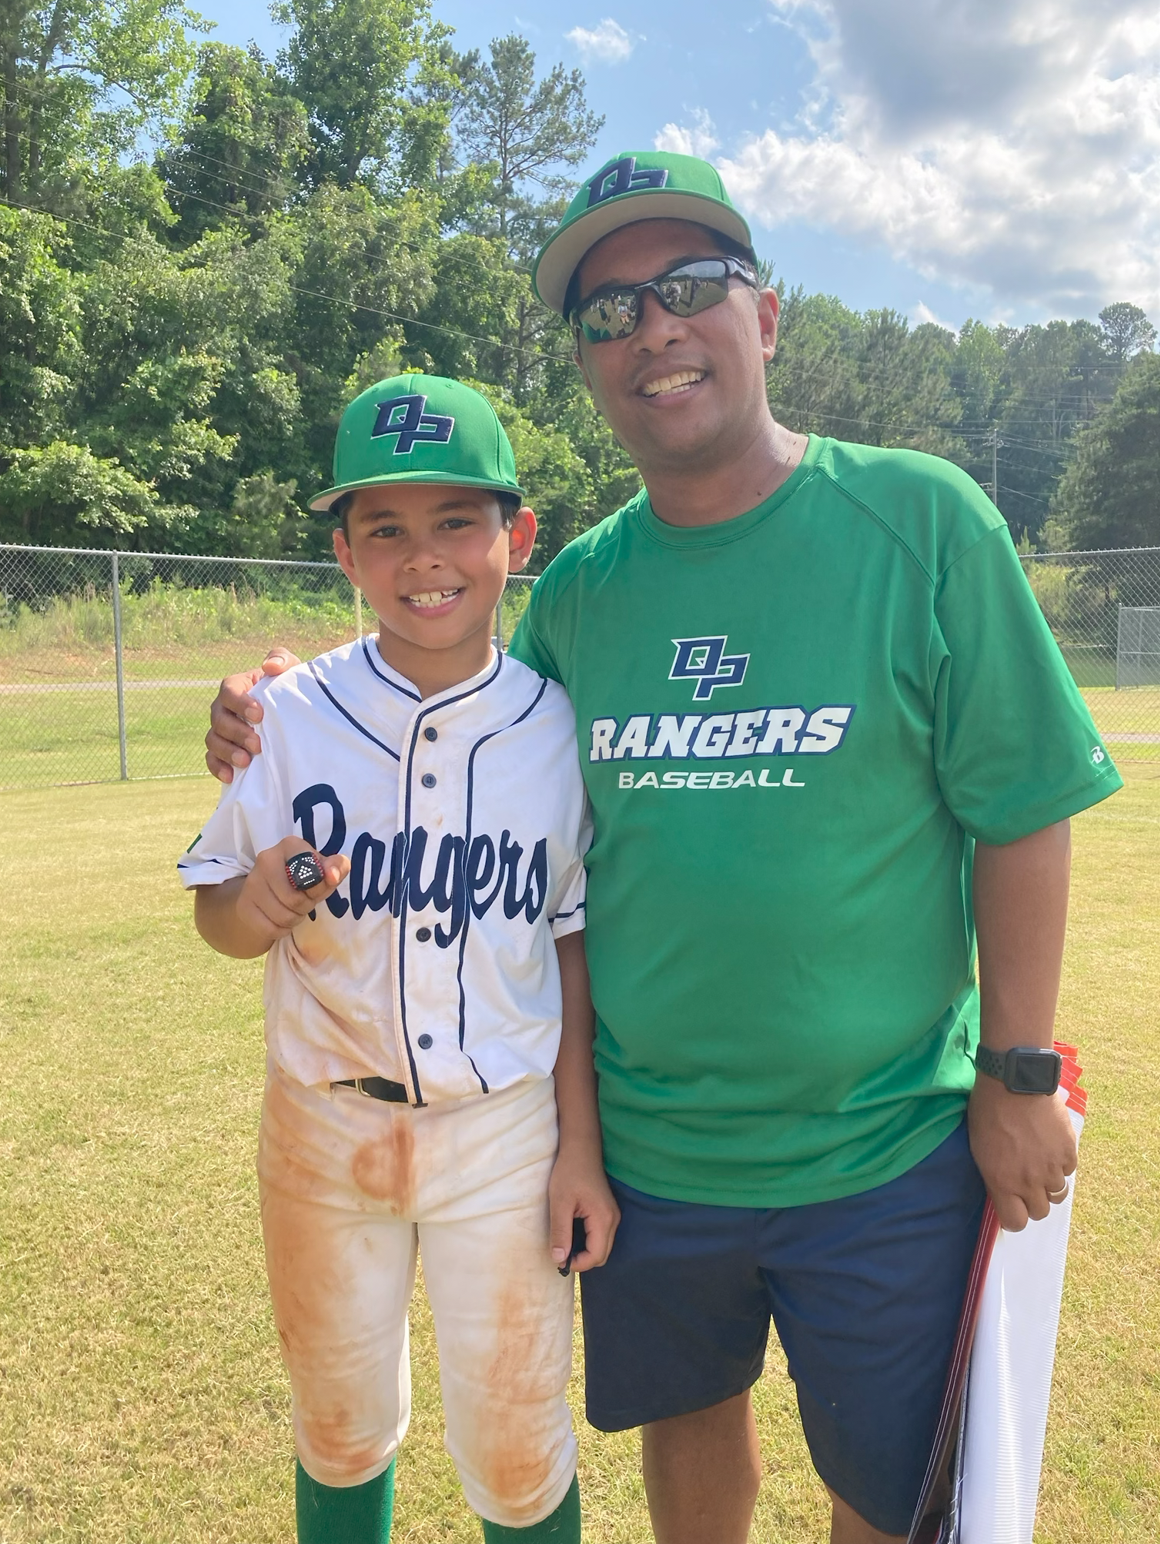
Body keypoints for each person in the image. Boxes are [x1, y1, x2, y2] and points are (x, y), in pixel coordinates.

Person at [205, 154, 1122, 1544]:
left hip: (881, 1147)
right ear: (586, 363)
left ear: (768, 317)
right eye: (606, 310)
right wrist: (276, 704)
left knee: (885, 1494)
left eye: (690, 287)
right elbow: (446, 697)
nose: (652, 328)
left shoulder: (923, 519)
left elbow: (1025, 810)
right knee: (693, 1464)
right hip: (652, 1154)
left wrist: (1021, 1070)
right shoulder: (579, 597)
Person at [182, 373, 619, 1544]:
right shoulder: (288, 710)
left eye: (455, 521)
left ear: (515, 537)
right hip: (322, 1126)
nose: (424, 556)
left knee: (519, 1446)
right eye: (385, 527)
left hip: (503, 1132)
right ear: (344, 552)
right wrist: (257, 904)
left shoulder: (555, 726)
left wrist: (580, 1142)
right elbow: (215, 916)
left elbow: (567, 942)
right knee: (337, 1422)